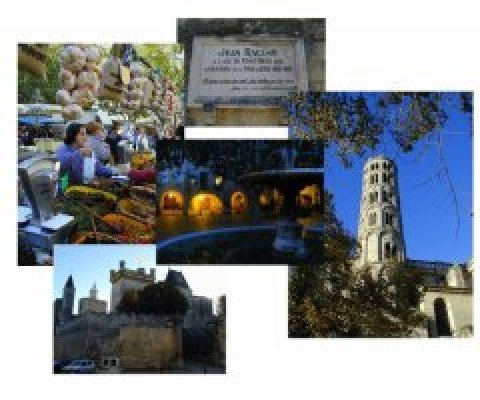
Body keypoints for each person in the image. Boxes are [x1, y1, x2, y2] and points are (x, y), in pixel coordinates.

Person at [56, 123, 113, 192]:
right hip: (65, 191)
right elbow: (60, 164)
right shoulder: (64, 149)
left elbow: (98, 167)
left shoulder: (85, 150)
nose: (85, 138)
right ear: (73, 135)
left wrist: (116, 171)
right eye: (82, 134)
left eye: (85, 134)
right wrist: (79, 153)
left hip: (81, 190)